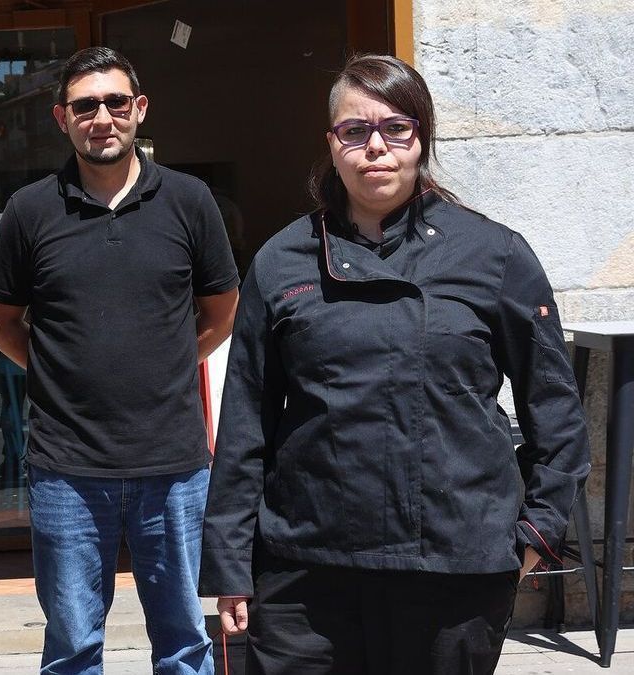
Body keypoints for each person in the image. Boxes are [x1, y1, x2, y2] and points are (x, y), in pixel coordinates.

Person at [199, 54, 591, 674]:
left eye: (396, 128)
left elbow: (558, 415)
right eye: (354, 131)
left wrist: (534, 534)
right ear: (331, 145)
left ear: (421, 138)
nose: (375, 147)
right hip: (307, 570)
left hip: (453, 567)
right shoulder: (282, 261)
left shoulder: (495, 255)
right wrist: (229, 565)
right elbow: (245, 424)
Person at [0, 47, 240, 674]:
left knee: (185, 643)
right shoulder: (30, 210)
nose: (102, 117)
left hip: (175, 466)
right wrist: (53, 370)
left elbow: (222, 311)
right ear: (61, 118)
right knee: (72, 647)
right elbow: (1, 321)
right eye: (85, 106)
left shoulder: (188, 200)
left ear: (139, 109)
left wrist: (175, 363)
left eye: (115, 102)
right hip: (67, 469)